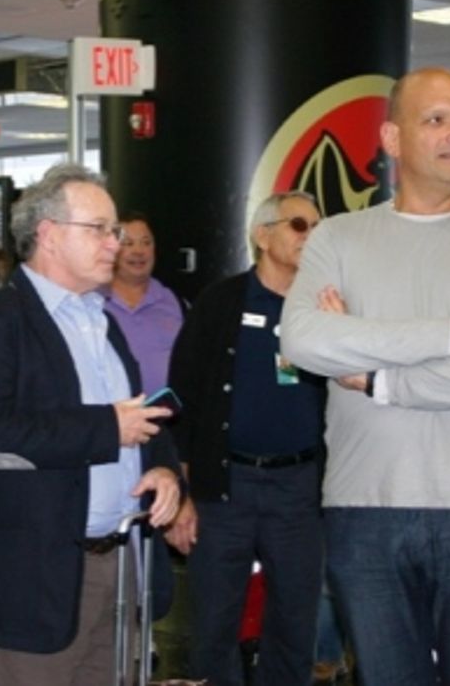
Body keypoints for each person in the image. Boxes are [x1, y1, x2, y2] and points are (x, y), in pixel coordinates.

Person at [280, 67, 450, 686]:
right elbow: (304, 340)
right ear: (392, 139)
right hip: (362, 508)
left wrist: (380, 379)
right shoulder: (338, 239)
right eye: (436, 119)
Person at [0, 163, 181, 684]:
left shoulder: (101, 321)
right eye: (98, 229)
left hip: (120, 568)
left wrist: (164, 471)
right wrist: (105, 430)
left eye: (115, 229)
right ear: (49, 235)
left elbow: (139, 417)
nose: (114, 243)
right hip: (36, 579)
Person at [165, 191, 327, 686]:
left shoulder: (326, 306)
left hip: (299, 487)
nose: (312, 236)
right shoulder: (222, 302)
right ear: (263, 235)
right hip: (226, 485)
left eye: (319, 227)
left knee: (296, 621)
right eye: (300, 225)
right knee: (215, 620)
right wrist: (184, 491)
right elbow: (183, 396)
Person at [103, 213, 184, 396]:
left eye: (146, 243)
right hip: (113, 419)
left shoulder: (174, 302)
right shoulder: (92, 303)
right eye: (128, 243)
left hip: (166, 419)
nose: (139, 251)